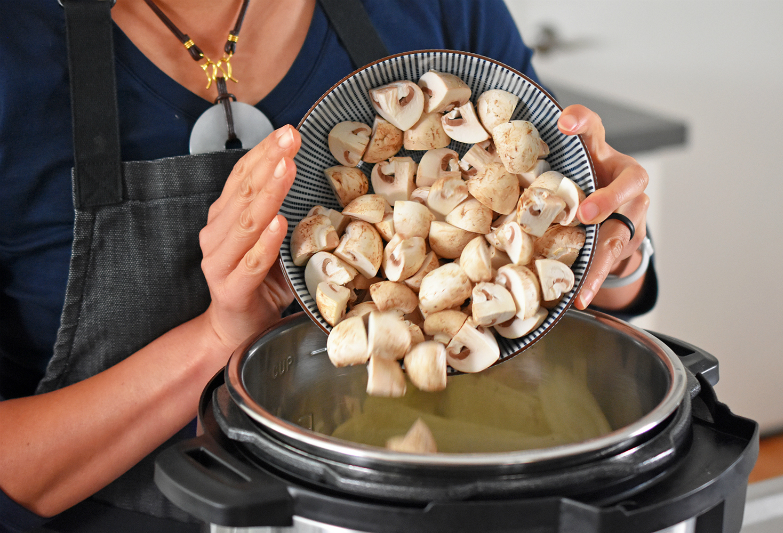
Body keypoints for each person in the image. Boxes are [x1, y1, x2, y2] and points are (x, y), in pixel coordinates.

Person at [0, 0, 654, 530]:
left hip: (421, 507)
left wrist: (617, 243)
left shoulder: (435, 8)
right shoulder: (15, 50)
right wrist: (217, 338)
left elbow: (579, 282)